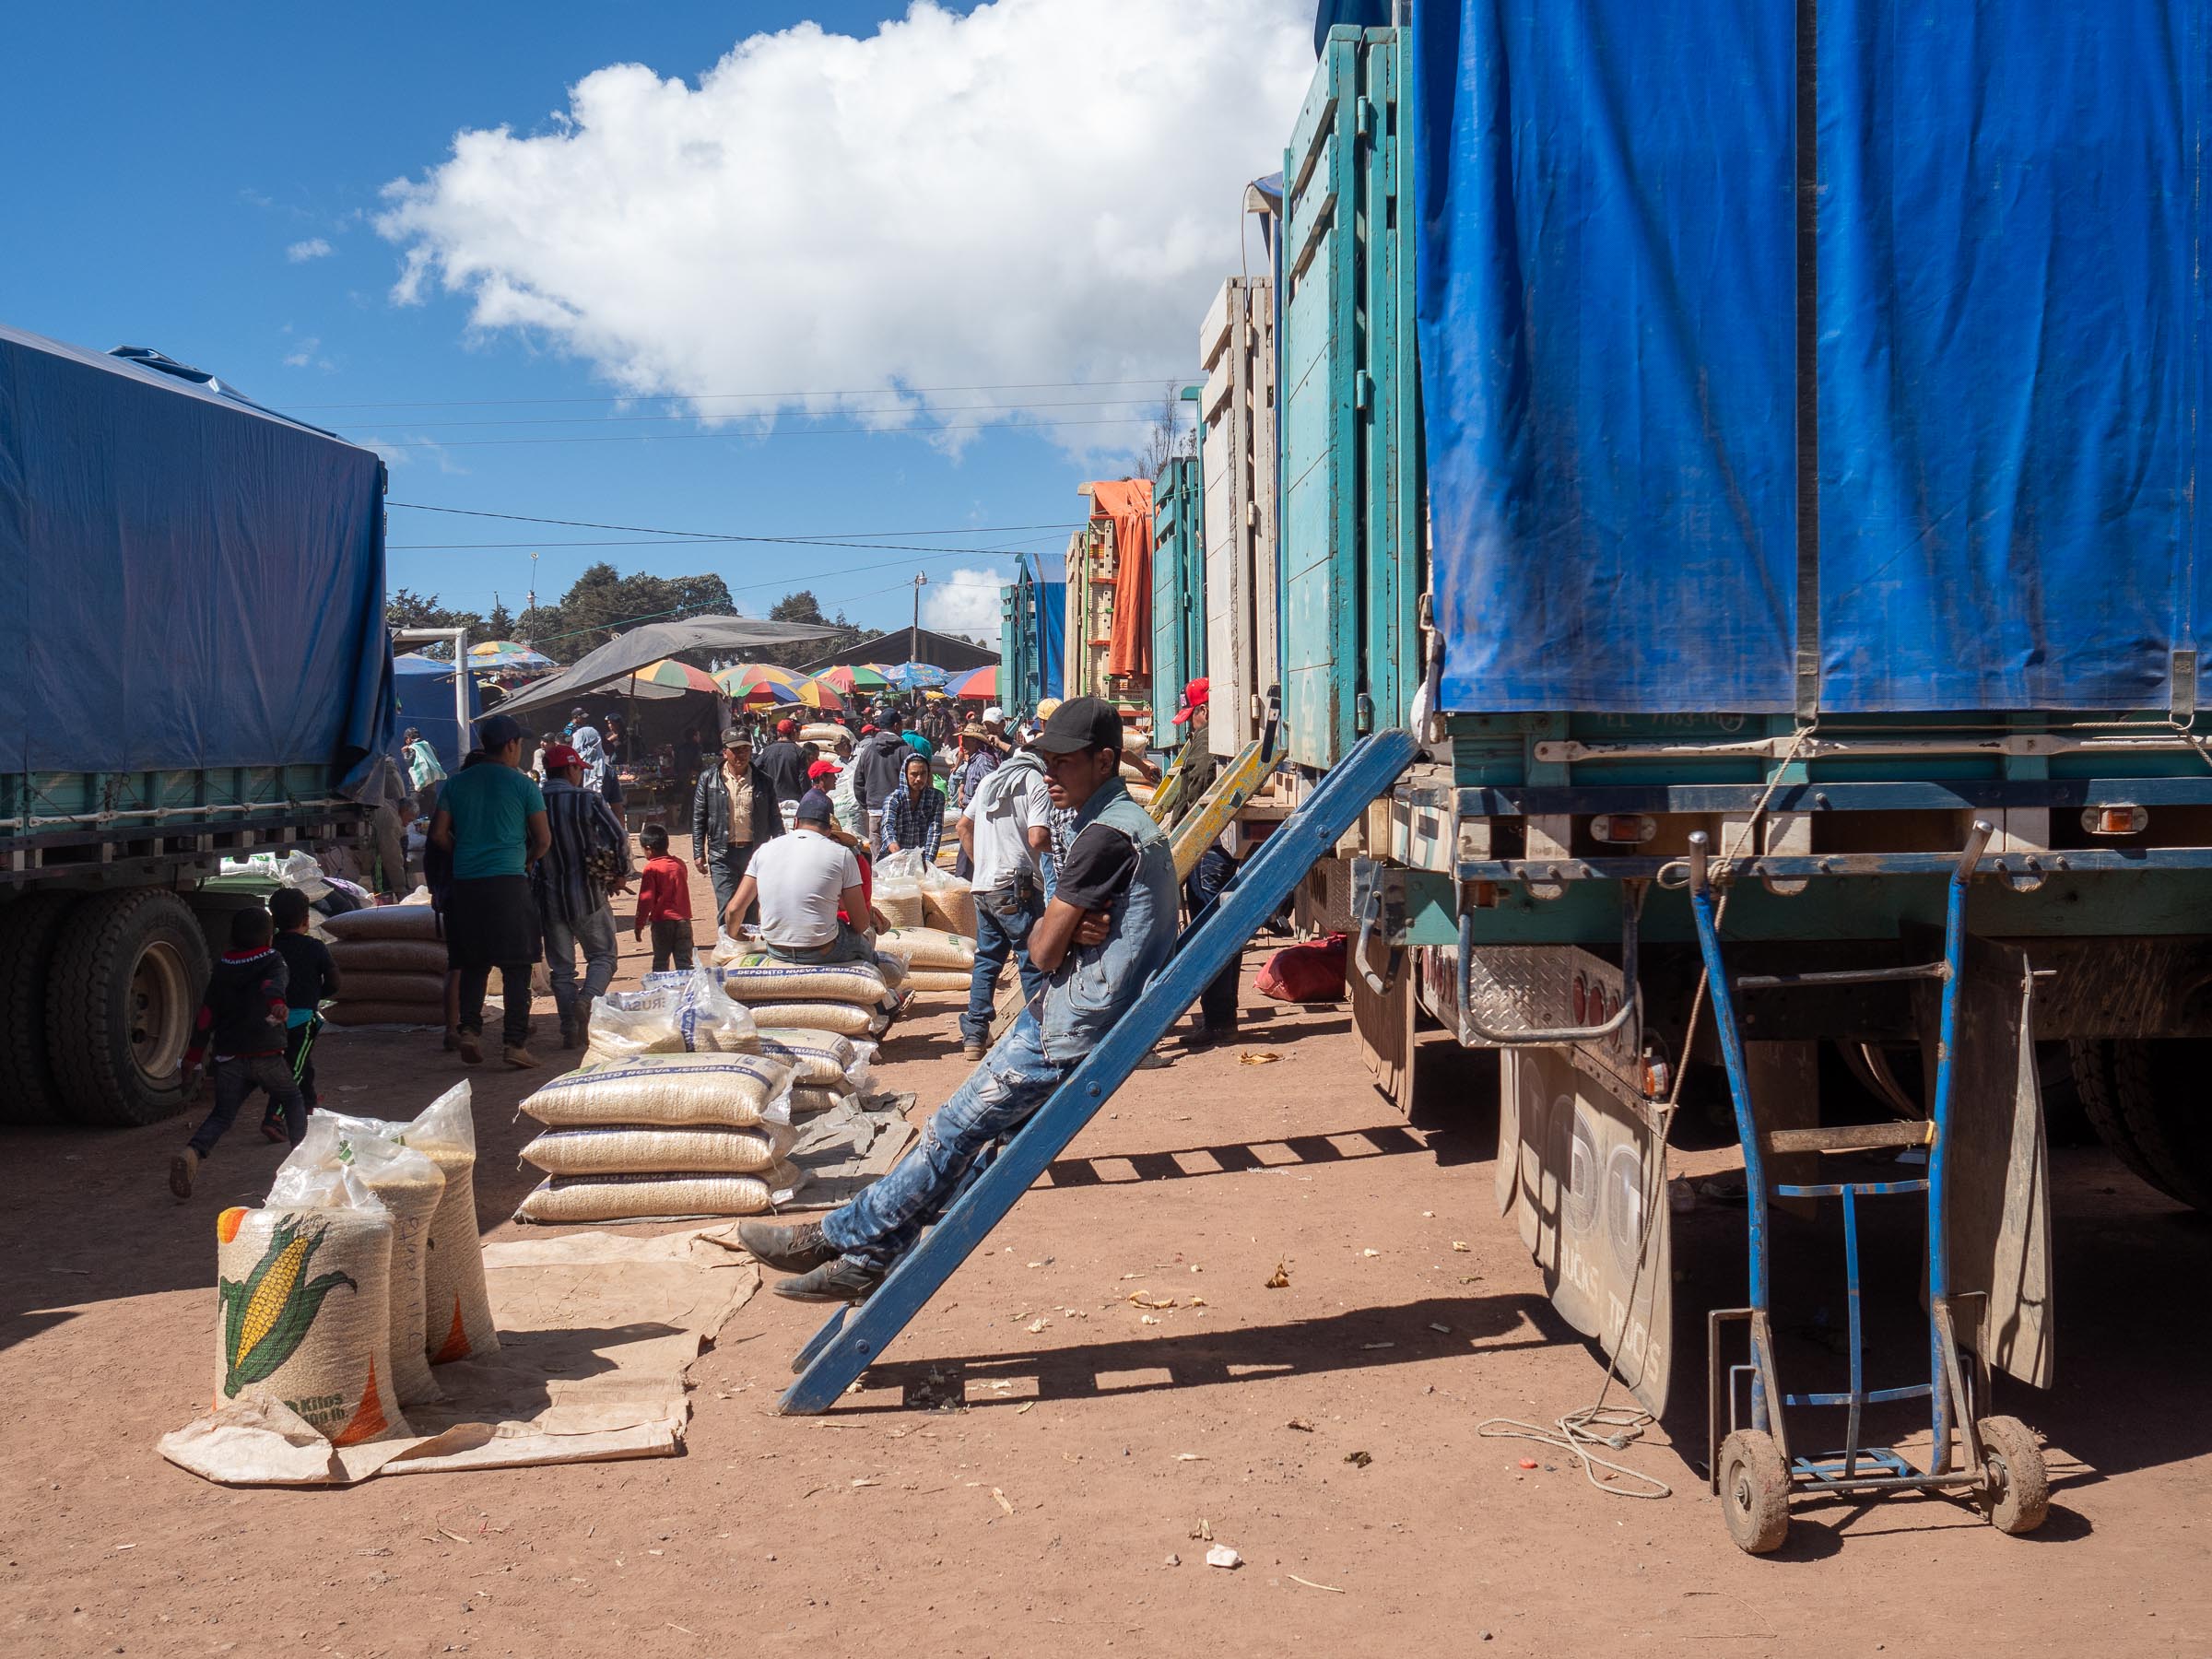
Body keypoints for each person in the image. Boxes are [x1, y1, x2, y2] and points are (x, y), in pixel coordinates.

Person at [739, 697, 1179, 1300]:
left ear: (1104, 760)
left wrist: (1063, 923)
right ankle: (866, 1255)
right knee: (965, 1140)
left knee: (951, 1129)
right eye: (1045, 758)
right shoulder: (1124, 825)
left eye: (1063, 762)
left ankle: (837, 1235)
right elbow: (1064, 927)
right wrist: (1069, 920)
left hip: (1072, 1025)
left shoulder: (1104, 836)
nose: (1049, 773)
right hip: (1082, 1012)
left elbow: (1046, 952)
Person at [429, 712, 550, 1067]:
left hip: (467, 885)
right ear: (512, 745)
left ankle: (469, 1030)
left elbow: (438, 834)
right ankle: (514, 1044)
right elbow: (543, 840)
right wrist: (526, 861)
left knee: (473, 962)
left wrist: (464, 853)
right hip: (509, 884)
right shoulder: (523, 785)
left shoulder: (457, 783)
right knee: (517, 965)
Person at [168, 906, 304, 1198]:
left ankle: (192, 1152)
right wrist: (276, 1003)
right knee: (293, 1098)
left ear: (232, 937)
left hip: (229, 1058)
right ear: (270, 937)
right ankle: (303, 1163)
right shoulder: (272, 959)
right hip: (266, 1054)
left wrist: (192, 1057)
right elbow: (271, 985)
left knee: (222, 1115)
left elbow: (206, 1015)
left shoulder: (223, 966)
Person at [956, 737, 1053, 1059]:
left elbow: (963, 826)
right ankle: (1038, 1034)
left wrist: (981, 863)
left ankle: (975, 1035)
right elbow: (1038, 836)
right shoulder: (1035, 781)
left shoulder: (989, 781)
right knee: (1031, 957)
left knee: (987, 960)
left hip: (984, 887)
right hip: (1016, 886)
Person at [535, 740, 631, 1049]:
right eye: (579, 768)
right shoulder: (587, 799)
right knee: (603, 956)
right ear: (571, 768)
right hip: (587, 894)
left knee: (561, 971)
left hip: (548, 897)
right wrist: (619, 874)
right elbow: (618, 837)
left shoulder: (533, 802)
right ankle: (588, 999)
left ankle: (568, 1030)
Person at [723, 790, 877, 965]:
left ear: (795, 822)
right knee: (865, 946)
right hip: (823, 950)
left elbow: (734, 909)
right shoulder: (842, 854)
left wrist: (736, 935)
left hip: (776, 948)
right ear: (828, 829)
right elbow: (860, 924)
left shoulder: (764, 850)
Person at [261, 887, 338, 1139]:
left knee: (301, 1063)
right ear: (306, 919)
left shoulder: (269, 949)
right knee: (294, 1068)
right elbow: (334, 982)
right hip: (302, 1019)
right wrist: (318, 994)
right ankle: (275, 1116)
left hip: (272, 1019)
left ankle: (308, 1103)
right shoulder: (315, 947)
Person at [693, 728, 785, 925]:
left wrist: (781, 849)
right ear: (725, 752)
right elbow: (699, 817)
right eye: (735, 750)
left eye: (745, 749)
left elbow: (775, 818)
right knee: (727, 906)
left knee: (750, 907)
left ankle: (748, 952)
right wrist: (698, 852)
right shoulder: (709, 779)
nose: (741, 755)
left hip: (754, 853)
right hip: (722, 855)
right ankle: (727, 950)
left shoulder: (763, 781)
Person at [632, 822, 696, 971]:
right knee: (684, 962)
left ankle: (662, 991)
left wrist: (639, 924)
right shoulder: (679, 863)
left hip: (662, 921)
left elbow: (646, 899)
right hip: (683, 920)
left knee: (661, 961)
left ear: (648, 849)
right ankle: (688, 990)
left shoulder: (651, 868)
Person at [851, 714, 912, 846]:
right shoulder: (907, 751)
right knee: (901, 859)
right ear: (896, 726)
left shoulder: (867, 752)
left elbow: (858, 784)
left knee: (878, 861)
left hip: (875, 813)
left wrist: (869, 806)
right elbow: (917, 782)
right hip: (900, 814)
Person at [878, 749, 946, 859]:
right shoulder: (893, 799)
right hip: (894, 859)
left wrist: (928, 861)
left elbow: (934, 830)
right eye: (914, 774)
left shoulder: (936, 798)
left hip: (921, 858)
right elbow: (887, 827)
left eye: (923, 773)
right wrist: (897, 853)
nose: (919, 779)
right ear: (905, 775)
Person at [757, 718, 809, 804]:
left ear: (778, 733)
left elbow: (755, 770)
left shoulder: (767, 751)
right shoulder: (799, 751)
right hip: (794, 801)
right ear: (793, 732)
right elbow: (803, 780)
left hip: (772, 800)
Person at [401, 727, 445, 818]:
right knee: (433, 816)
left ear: (408, 739)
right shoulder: (429, 746)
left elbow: (410, 762)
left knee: (414, 815)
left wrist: (405, 753)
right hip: (431, 786)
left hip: (417, 789)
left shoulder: (413, 747)